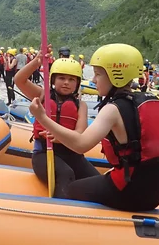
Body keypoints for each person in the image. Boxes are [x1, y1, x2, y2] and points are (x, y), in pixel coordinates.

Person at [29, 44, 159, 211]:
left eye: (98, 74)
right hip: (157, 190)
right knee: (99, 178)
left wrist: (42, 118)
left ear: (115, 76)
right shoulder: (149, 100)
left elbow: (81, 144)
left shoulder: (112, 109)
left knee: (72, 188)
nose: (94, 80)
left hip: (130, 191)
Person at [16, 55, 99, 198]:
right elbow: (19, 80)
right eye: (61, 78)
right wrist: (37, 62)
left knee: (97, 181)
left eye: (71, 79)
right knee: (65, 173)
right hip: (44, 153)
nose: (66, 83)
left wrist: (61, 138)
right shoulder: (42, 95)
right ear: (53, 79)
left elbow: (80, 133)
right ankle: (60, 210)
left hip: (72, 155)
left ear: (78, 83)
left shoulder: (81, 105)